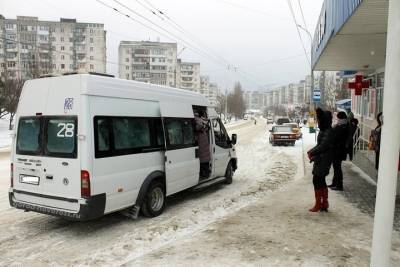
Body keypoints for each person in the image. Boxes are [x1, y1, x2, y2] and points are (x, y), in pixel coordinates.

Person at [307, 108, 333, 212]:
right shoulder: (325, 130)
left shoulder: (327, 131)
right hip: (321, 159)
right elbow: (319, 145)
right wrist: (311, 151)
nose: (318, 121)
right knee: (320, 180)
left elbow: (323, 146)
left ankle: (319, 204)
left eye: (319, 119)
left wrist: (312, 152)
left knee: (317, 180)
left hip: (324, 159)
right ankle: (324, 203)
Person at [328, 111, 349, 191]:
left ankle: (339, 185)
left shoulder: (343, 127)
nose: (337, 119)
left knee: (337, 168)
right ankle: (334, 183)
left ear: (341, 118)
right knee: (336, 167)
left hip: (339, 151)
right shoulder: (341, 125)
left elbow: (337, 138)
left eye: (338, 118)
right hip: (337, 150)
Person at [195, 110, 211, 178]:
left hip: (202, 150)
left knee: (202, 163)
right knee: (205, 163)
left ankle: (203, 174)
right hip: (205, 149)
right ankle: (206, 174)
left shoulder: (197, 122)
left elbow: (199, 126)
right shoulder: (204, 124)